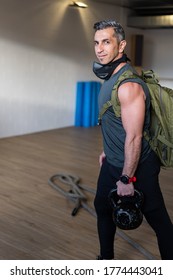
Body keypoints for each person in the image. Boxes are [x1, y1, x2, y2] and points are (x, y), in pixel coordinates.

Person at [93, 19, 173, 260]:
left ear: (121, 45)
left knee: (158, 220)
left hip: (138, 166)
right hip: (113, 162)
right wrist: (107, 149)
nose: (100, 48)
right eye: (96, 43)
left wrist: (127, 178)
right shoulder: (109, 75)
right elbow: (114, 120)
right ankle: (106, 262)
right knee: (102, 208)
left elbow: (135, 136)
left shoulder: (128, 85)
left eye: (106, 42)